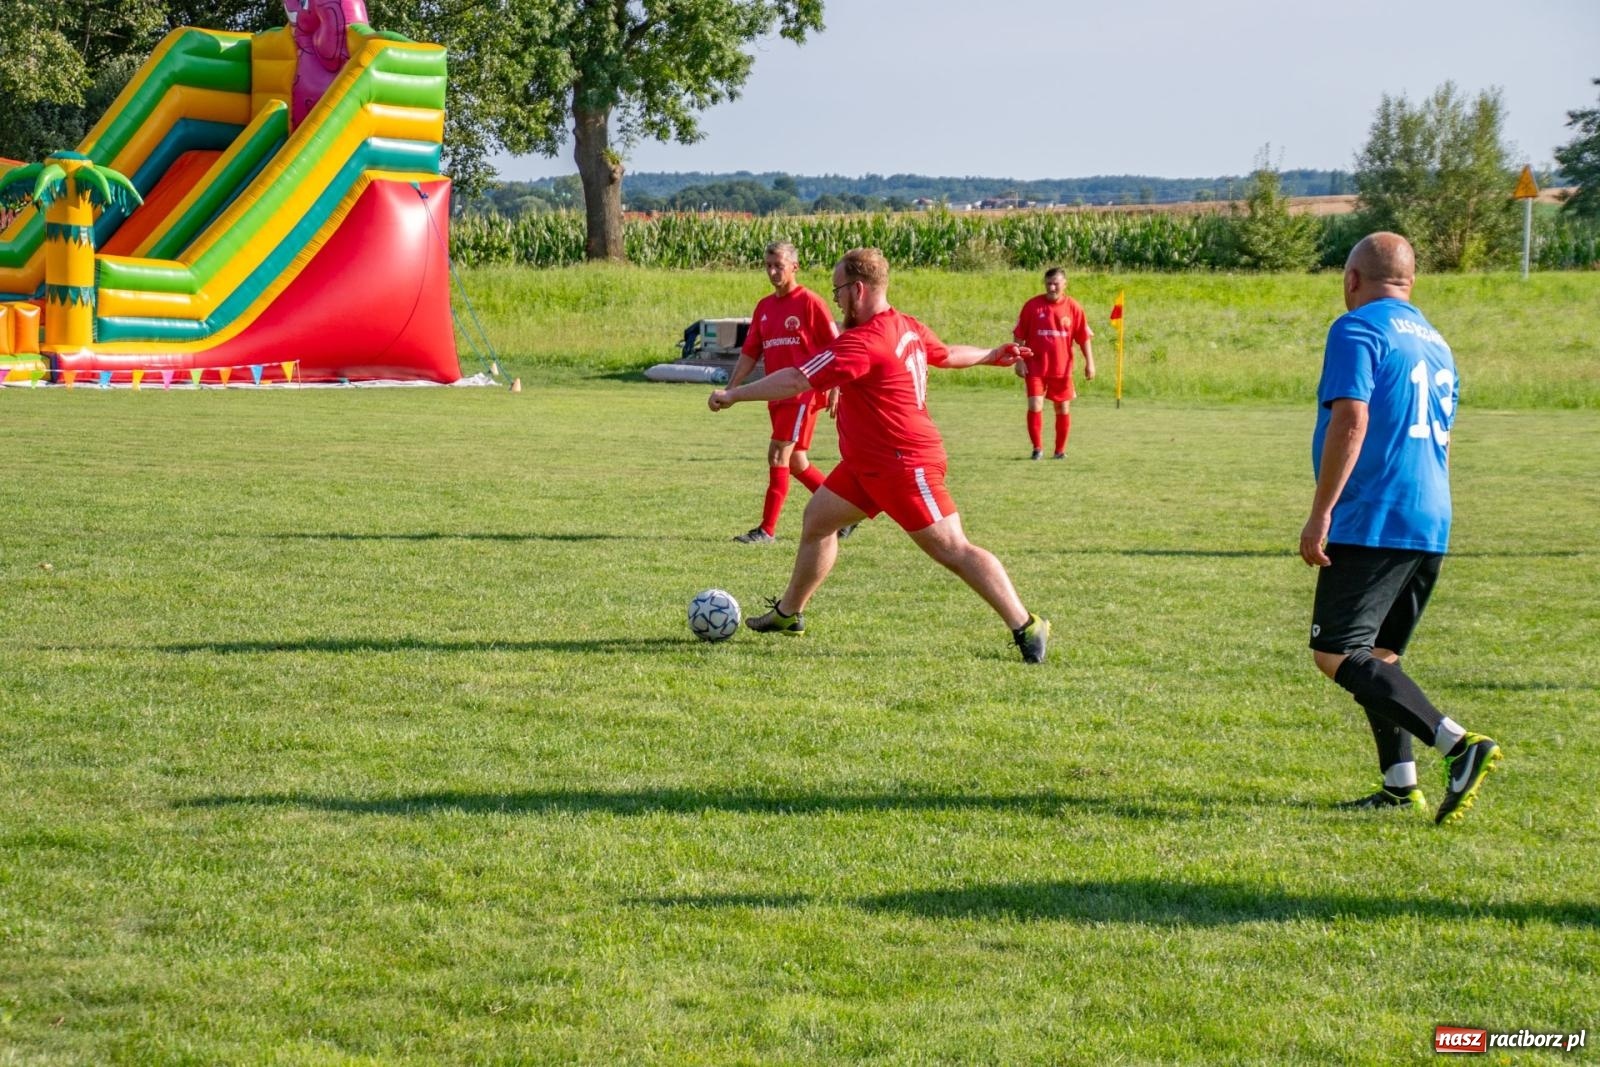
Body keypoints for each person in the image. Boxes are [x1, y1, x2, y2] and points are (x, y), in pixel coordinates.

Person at [708, 247, 1051, 663]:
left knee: (953, 548)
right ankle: (789, 613)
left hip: (903, 463)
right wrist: (990, 355)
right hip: (866, 464)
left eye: (838, 290)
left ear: (857, 290)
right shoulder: (904, 325)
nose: (836, 300)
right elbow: (945, 354)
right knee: (817, 521)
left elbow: (797, 379)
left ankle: (1026, 624)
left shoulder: (864, 341)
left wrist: (734, 394)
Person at [1300, 231, 1501, 825]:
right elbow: (1445, 436)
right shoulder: (1438, 344)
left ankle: (1457, 745)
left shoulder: (1357, 328)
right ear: (1410, 282)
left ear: (1351, 279)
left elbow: (1352, 420)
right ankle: (1399, 785)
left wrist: (1322, 510)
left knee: (1336, 651)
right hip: (1429, 514)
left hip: (1374, 513)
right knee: (1379, 656)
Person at [724, 241, 847, 544]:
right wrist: (731, 389)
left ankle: (767, 530)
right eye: (768, 266)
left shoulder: (810, 302)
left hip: (802, 392)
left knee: (778, 454)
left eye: (778, 266)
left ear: (794, 267)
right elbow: (750, 352)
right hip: (775, 393)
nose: (772, 272)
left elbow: (836, 347)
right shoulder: (764, 307)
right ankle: (845, 513)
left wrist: (836, 386)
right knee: (796, 461)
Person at [1012, 267, 1095, 460]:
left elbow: (1083, 338)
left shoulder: (1073, 307)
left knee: (1062, 408)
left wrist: (1090, 362)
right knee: (1035, 404)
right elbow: (1019, 335)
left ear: (1065, 284)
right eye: (1048, 283)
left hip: (1061, 368)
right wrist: (1019, 360)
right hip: (1035, 366)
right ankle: (1037, 449)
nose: (1051, 288)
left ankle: (1059, 451)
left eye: (1056, 284)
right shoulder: (1032, 306)